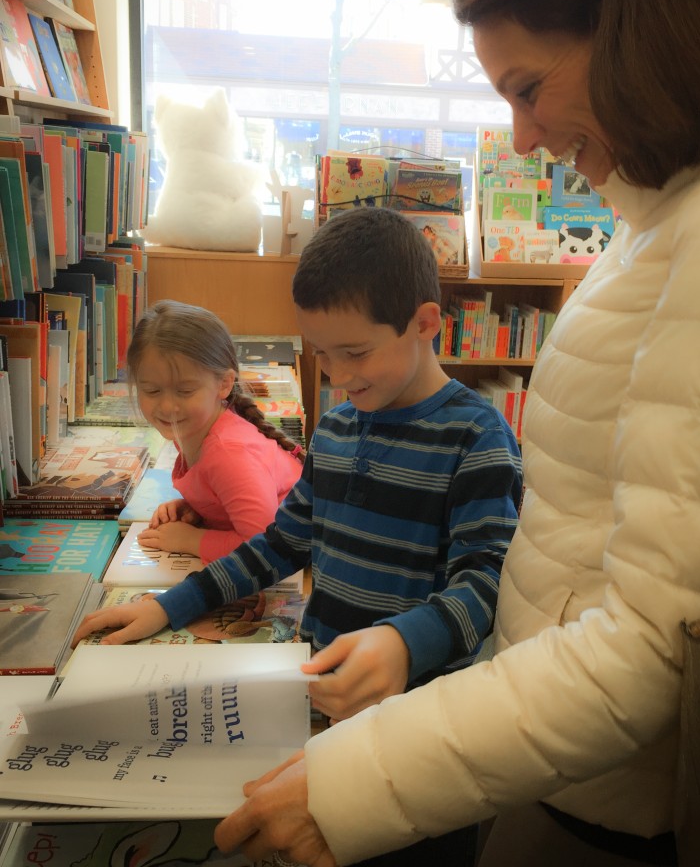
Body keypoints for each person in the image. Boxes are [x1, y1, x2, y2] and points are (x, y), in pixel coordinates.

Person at [205, 0, 700, 867]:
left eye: (530, 87)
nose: (525, 135)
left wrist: (363, 777)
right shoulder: (667, 217)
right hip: (556, 764)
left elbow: (656, 647)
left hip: (615, 798)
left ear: (641, 29)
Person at [73, 206, 522, 867]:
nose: (338, 376)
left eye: (356, 352)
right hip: (323, 709)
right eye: (322, 354)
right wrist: (166, 607)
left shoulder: (477, 437)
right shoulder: (339, 428)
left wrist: (405, 641)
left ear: (426, 324)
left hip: (416, 740)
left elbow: (489, 579)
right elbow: (280, 544)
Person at [125, 299, 303, 563]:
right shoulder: (193, 429)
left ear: (224, 384)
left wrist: (190, 540)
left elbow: (264, 547)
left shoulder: (229, 454)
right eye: (151, 390)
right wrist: (199, 510)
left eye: (184, 391)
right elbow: (227, 492)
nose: (166, 406)